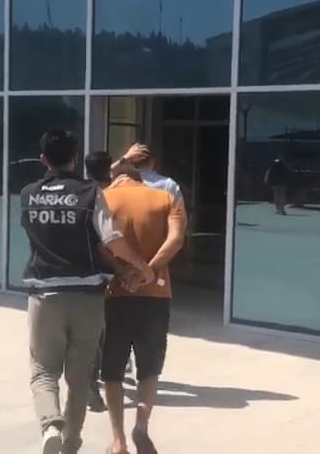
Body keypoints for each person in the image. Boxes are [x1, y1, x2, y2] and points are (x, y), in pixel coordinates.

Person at [20, 130, 154, 454]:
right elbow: (110, 239)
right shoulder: (90, 192)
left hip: (45, 297)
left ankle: (51, 426)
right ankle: (70, 443)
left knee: (43, 371)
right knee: (79, 377)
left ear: (43, 160)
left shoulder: (28, 194)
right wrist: (139, 266)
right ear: (75, 157)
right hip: (88, 298)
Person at [100, 165, 187, 454]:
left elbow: (99, 244)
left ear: (117, 179)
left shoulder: (103, 198)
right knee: (149, 369)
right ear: (142, 180)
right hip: (156, 294)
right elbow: (176, 239)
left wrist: (124, 271)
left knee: (112, 371)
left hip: (114, 294)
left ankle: (118, 440)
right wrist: (148, 271)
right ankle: (141, 426)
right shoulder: (165, 198)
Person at [82, 150, 114, 413]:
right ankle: (96, 382)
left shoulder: (82, 194)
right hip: (110, 272)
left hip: (88, 272)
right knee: (104, 332)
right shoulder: (110, 194)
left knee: (95, 334)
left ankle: (93, 382)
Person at [112, 143, 182, 200]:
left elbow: (109, 172)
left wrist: (125, 157)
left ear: (129, 162)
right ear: (152, 162)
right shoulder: (169, 185)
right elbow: (178, 211)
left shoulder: (120, 182)